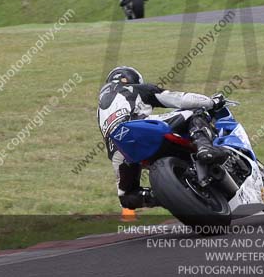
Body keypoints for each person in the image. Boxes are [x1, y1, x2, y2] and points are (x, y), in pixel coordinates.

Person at [97, 66, 226, 209]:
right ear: (131, 79)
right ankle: (205, 149)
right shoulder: (134, 89)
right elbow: (178, 99)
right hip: (139, 127)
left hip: (119, 150)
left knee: (127, 196)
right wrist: (211, 102)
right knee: (195, 111)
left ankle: (163, 196)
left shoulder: (100, 110)